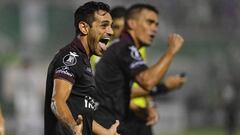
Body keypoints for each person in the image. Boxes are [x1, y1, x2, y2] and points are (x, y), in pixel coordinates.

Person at [93, 3, 184, 134]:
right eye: (149, 22)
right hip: (108, 124)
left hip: (117, 121)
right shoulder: (124, 48)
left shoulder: (126, 48)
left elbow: (120, 91)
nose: (154, 28)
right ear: (131, 24)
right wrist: (171, 51)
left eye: (156, 24)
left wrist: (145, 107)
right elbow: (147, 81)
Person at [44, 1, 119, 135]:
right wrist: (73, 127)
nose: (111, 31)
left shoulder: (83, 60)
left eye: (111, 26)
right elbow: (57, 101)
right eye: (104, 25)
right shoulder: (70, 58)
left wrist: (105, 133)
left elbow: (82, 112)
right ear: (84, 28)